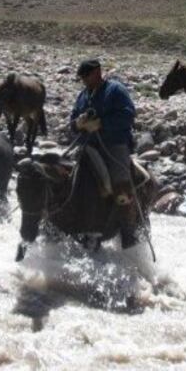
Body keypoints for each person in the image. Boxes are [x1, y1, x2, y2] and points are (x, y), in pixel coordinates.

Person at [68, 59, 142, 249]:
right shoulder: (83, 95)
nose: (84, 81)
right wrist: (78, 123)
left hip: (113, 144)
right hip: (87, 145)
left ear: (97, 72)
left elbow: (127, 115)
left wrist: (101, 123)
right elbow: (73, 120)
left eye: (86, 76)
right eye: (82, 77)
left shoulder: (115, 90)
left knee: (120, 183)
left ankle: (128, 231)